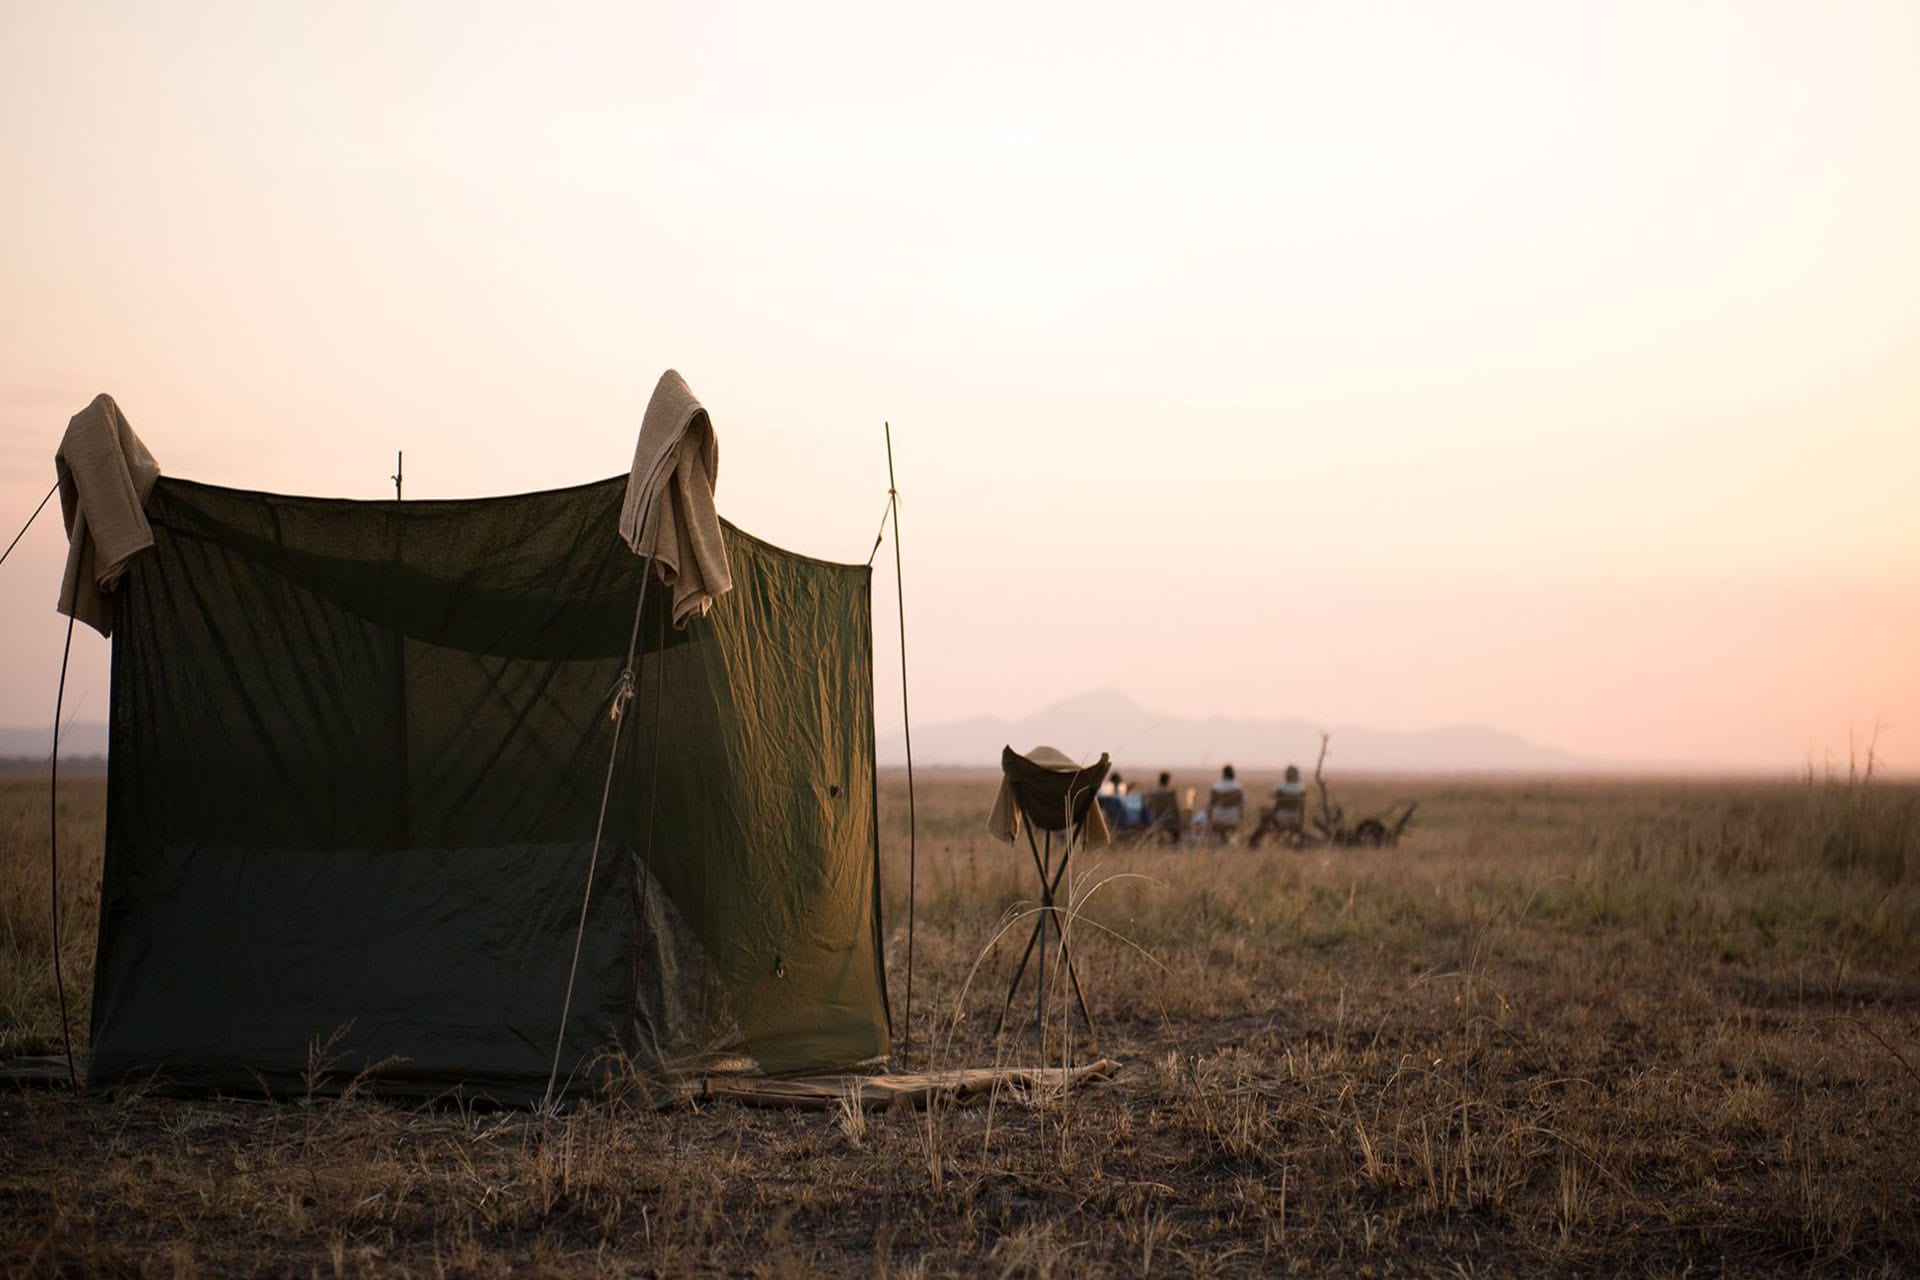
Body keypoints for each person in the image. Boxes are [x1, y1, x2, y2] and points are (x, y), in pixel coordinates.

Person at [1250, 763, 1309, 848]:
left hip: (1281, 818)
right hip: (1296, 818)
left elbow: (1271, 794)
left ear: (1286, 775)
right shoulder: (1301, 787)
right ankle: (1293, 841)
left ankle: (1255, 843)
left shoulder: (1281, 786)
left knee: (1265, 818)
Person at [1207, 764, 1245, 846]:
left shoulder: (1216, 786)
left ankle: (1221, 843)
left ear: (1223, 774)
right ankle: (1231, 844)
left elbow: (1210, 804)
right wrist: (1241, 817)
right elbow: (1241, 804)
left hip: (1218, 817)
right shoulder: (1238, 787)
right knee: (1233, 832)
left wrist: (1209, 817)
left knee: (1219, 830)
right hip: (1232, 818)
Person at [1143, 771, 1181, 845]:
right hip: (1170, 824)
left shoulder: (1152, 794)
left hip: (1155, 823)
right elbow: (1176, 811)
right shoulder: (1171, 794)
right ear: (1168, 781)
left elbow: (1148, 808)